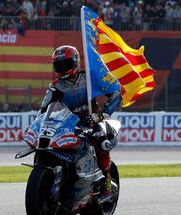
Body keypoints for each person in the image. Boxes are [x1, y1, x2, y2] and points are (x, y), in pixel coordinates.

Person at [38, 45, 121, 196]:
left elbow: (115, 94)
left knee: (102, 141)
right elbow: (43, 110)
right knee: (50, 144)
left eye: (66, 64)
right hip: (69, 123)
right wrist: (37, 125)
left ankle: (107, 183)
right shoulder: (55, 87)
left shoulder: (90, 78)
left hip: (93, 119)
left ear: (75, 62)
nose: (62, 69)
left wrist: (102, 114)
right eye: (59, 65)